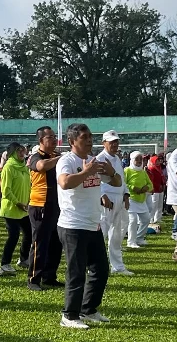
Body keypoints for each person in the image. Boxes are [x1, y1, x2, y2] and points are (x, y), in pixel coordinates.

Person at [56, 123, 119, 329]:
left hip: (94, 224)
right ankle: (69, 315)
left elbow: (117, 183)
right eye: (84, 137)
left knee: (100, 270)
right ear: (72, 141)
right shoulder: (66, 160)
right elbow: (65, 183)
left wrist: (111, 172)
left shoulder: (95, 161)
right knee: (76, 272)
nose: (89, 140)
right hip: (73, 224)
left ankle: (88, 309)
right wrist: (86, 172)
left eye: (91, 136)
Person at [27, 126, 64, 291]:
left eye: (55, 136)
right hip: (40, 205)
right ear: (41, 140)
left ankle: (50, 276)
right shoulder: (36, 157)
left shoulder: (56, 156)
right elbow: (41, 166)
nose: (54, 139)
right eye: (50, 137)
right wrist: (61, 159)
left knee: (56, 242)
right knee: (40, 243)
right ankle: (34, 279)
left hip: (56, 204)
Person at [96, 130, 133, 275]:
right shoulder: (100, 159)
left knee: (117, 234)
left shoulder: (117, 159)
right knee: (102, 233)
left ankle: (117, 266)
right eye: (111, 142)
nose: (114, 144)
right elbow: (96, 181)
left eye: (116, 141)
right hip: (107, 199)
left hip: (119, 198)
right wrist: (102, 195)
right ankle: (94, 265)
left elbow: (121, 179)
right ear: (104, 143)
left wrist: (126, 195)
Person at [0, 143, 31, 275]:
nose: (22, 154)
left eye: (23, 151)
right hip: (11, 207)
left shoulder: (24, 167)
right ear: (12, 153)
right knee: (14, 236)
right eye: (19, 151)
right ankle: (5, 264)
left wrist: (28, 200)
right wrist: (18, 203)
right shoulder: (9, 167)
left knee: (29, 233)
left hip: (23, 208)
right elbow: (6, 190)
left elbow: (28, 185)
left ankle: (23, 259)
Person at [124, 151, 154, 249]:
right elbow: (123, 184)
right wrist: (133, 187)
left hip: (141, 200)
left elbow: (150, 184)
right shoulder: (127, 170)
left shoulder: (143, 172)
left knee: (146, 219)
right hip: (131, 199)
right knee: (132, 220)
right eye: (137, 159)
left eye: (141, 159)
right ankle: (131, 241)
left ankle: (139, 238)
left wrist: (146, 188)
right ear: (132, 160)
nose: (139, 161)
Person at [146, 155, 166, 224]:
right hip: (155, 189)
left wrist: (163, 184)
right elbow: (152, 180)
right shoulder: (151, 169)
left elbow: (161, 178)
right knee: (154, 205)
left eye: (158, 160)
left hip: (160, 189)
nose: (158, 162)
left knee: (160, 204)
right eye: (156, 161)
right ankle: (151, 218)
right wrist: (157, 186)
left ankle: (158, 218)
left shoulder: (159, 168)